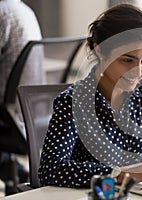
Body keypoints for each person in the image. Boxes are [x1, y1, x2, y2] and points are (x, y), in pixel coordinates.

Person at [38, 3, 142, 188]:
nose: (137, 71)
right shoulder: (73, 102)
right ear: (99, 49)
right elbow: (50, 170)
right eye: (127, 60)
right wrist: (117, 174)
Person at [0, 0, 46, 191]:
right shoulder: (24, 10)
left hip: (9, 118)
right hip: (34, 115)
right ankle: (13, 171)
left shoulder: (2, 12)